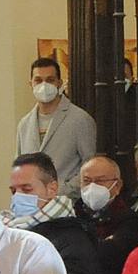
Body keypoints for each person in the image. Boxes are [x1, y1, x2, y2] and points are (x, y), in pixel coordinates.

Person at [1, 153, 101, 274]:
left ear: (52, 189)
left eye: (26, 189)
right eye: (13, 191)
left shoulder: (74, 239)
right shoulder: (6, 232)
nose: (18, 197)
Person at [75, 154, 138, 274]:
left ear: (117, 186)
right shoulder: (70, 217)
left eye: (100, 181)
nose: (92, 187)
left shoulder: (132, 221)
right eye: (86, 181)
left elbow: (107, 255)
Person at [15, 57, 97, 196]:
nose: (44, 85)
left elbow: (90, 164)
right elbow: (19, 166)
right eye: (38, 80)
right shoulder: (25, 124)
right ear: (31, 84)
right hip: (33, 205)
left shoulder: (80, 119)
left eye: (50, 80)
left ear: (59, 83)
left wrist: (65, 189)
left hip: (68, 202)